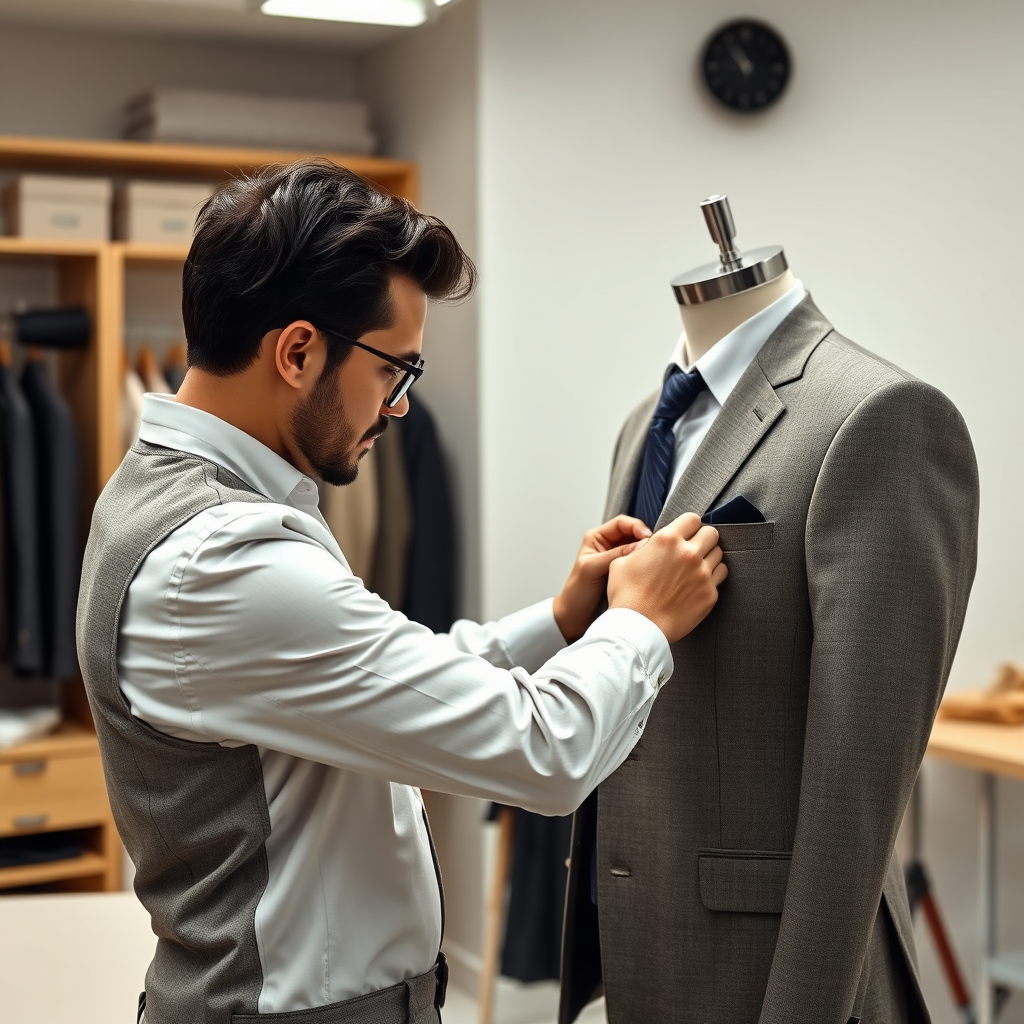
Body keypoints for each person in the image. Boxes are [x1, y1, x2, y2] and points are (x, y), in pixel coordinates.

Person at [76, 160, 727, 1024]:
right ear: (299, 350)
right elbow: (544, 753)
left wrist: (565, 620)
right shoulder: (221, 559)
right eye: (396, 370)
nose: (402, 407)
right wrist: (641, 625)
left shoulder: (172, 499)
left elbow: (381, 681)